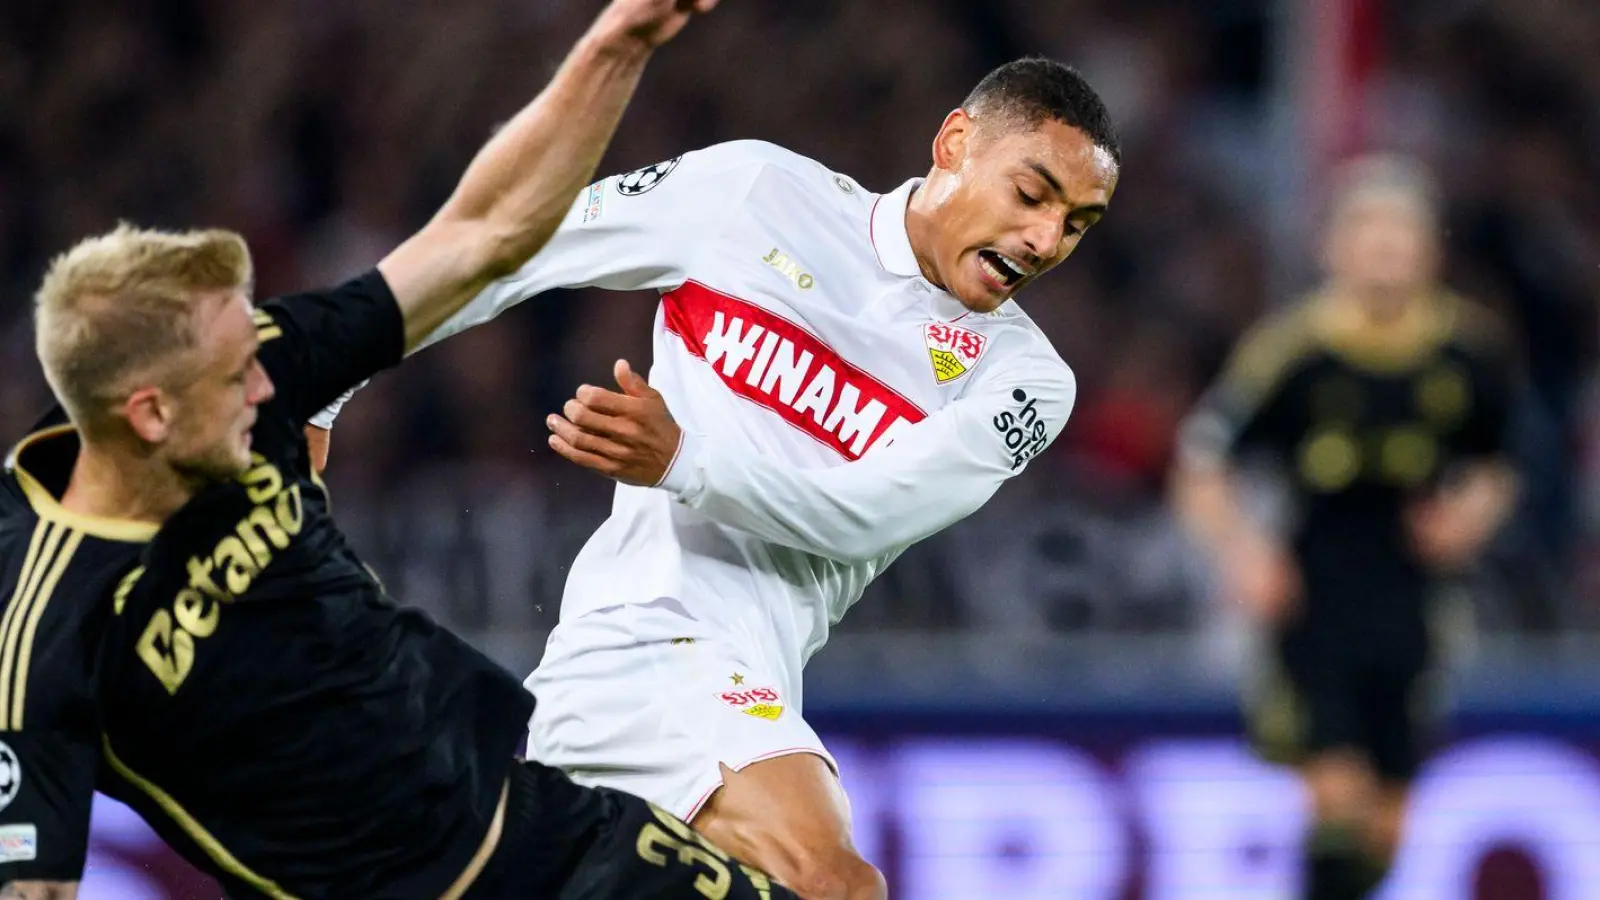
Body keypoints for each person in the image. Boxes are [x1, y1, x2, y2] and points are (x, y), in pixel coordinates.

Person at [0, 2, 797, 899]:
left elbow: (479, 234)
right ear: (146, 416)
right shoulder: (45, 628)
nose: (269, 390)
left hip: (549, 824)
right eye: (237, 379)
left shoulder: (253, 366)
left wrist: (617, 45)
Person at [319, 57, 1121, 899]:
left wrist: (684, 460)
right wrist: (335, 364)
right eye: (1032, 195)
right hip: (648, 642)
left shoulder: (1025, 380)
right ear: (955, 142)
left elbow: (866, 515)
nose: (1046, 240)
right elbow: (518, 247)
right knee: (833, 885)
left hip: (739, 679)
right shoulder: (754, 193)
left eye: (1078, 224)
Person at [1171, 155, 1520, 900]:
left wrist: (1469, 517)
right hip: (1315, 598)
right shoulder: (1293, 352)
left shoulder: (1468, 353)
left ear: (1432, 248)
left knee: (1390, 821)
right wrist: (1246, 552)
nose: (1386, 246)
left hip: (1415, 597)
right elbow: (1201, 464)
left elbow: (1498, 463)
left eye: (1401, 230)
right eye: (1368, 229)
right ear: (1333, 246)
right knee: (1336, 793)